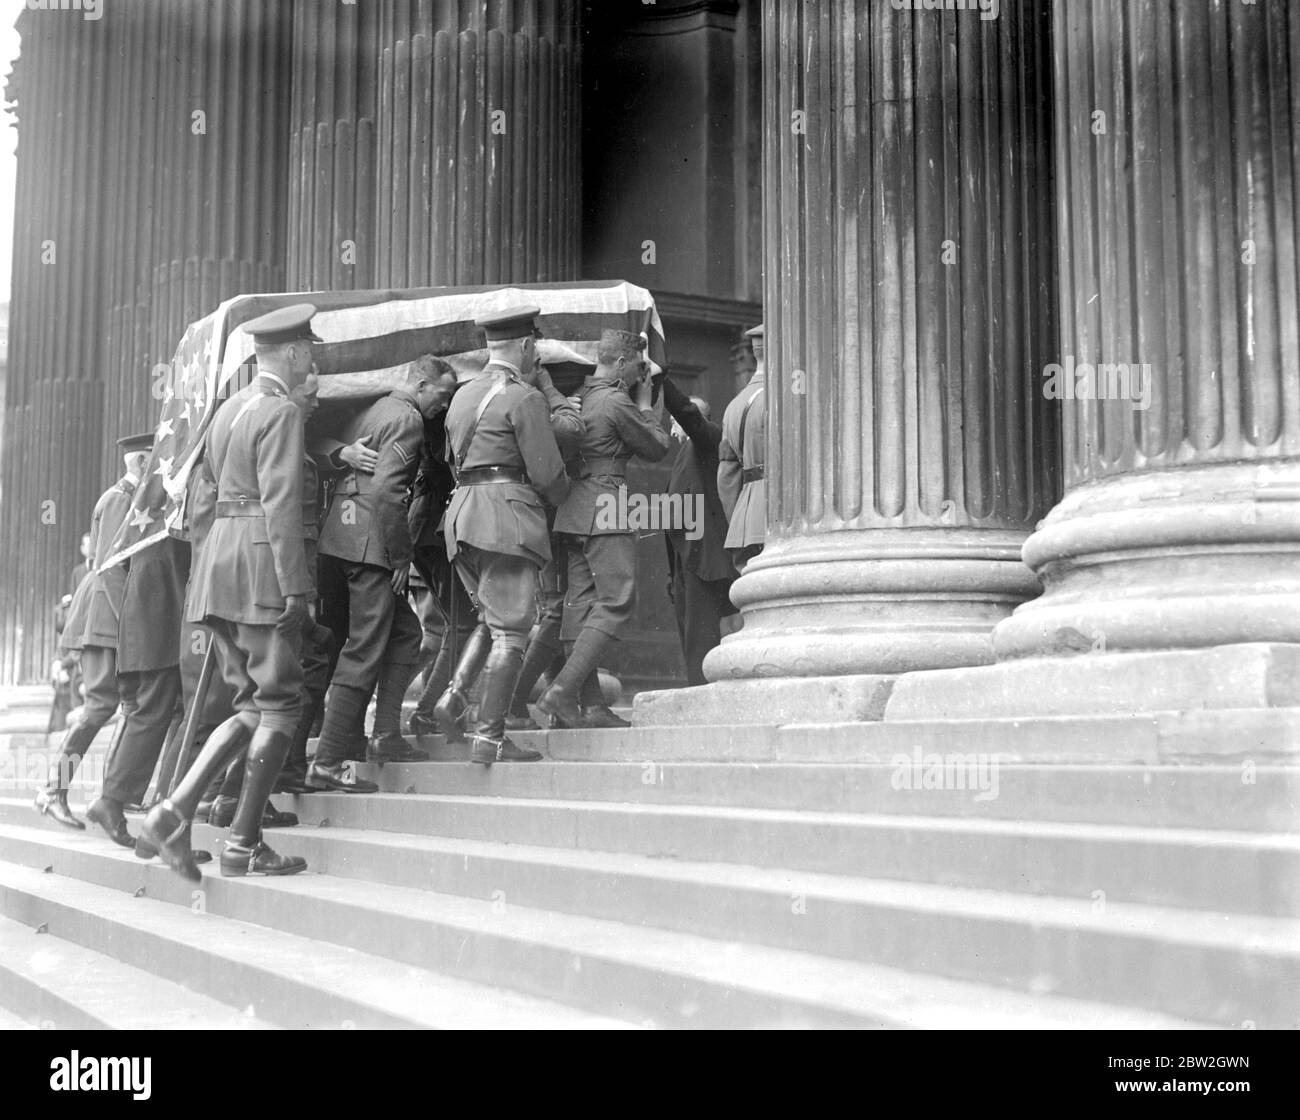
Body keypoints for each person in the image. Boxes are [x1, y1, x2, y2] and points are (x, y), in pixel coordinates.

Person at [142, 303, 319, 880]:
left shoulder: (224, 413)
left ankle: (178, 813)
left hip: (218, 570)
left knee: (251, 703)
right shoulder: (282, 412)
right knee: (283, 703)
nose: (310, 361)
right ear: (291, 354)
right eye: (308, 352)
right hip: (258, 571)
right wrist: (297, 587)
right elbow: (282, 503)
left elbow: (213, 498)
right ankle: (239, 841)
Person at [306, 357, 459, 791]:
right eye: (442, 395)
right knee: (364, 649)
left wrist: (340, 451)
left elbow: (316, 439)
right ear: (421, 384)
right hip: (372, 546)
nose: (443, 405)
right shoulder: (406, 418)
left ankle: (383, 735)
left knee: (406, 632)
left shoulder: (369, 407)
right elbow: (391, 495)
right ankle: (329, 761)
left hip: (337, 539)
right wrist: (400, 558)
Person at [437, 306, 569, 764]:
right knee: (513, 633)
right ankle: (489, 738)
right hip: (505, 520)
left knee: (491, 621)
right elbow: (549, 475)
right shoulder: (525, 397)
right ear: (528, 346)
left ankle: (453, 699)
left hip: (463, 519)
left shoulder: (461, 395)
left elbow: (453, 462)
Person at [537, 329, 670, 729]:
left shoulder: (582, 397)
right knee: (615, 601)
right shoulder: (615, 401)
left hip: (574, 512)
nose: (640, 374)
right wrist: (645, 405)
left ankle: (590, 705)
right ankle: (561, 690)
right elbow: (657, 446)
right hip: (606, 506)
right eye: (638, 367)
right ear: (624, 363)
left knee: (580, 607)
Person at [34, 432, 152, 829]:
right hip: (103, 618)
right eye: (155, 458)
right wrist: (128, 625)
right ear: (141, 462)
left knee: (126, 706)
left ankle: (112, 796)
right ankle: (53, 790)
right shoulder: (121, 498)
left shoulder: (122, 496)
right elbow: (109, 566)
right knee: (102, 706)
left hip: (104, 617)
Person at [660, 379, 737, 685]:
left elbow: (689, 416)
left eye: (675, 423)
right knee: (691, 636)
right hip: (686, 561)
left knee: (700, 640)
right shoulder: (684, 457)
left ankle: (701, 695)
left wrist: (661, 380)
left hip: (704, 561)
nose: (672, 430)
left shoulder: (709, 441)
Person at [717, 323, 767, 572]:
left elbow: (726, 479)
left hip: (745, 522)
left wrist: (739, 518)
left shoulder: (732, 407)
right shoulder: (786, 399)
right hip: (776, 518)